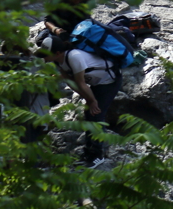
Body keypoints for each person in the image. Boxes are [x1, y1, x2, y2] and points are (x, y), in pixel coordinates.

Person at [41, 34, 122, 166]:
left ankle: (97, 155)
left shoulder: (74, 57)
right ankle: (88, 152)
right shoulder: (59, 61)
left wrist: (92, 101)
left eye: (45, 54)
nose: (43, 58)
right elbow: (72, 83)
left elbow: (81, 83)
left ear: (57, 53)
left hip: (109, 81)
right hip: (97, 83)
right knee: (89, 114)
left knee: (96, 116)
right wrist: (89, 100)